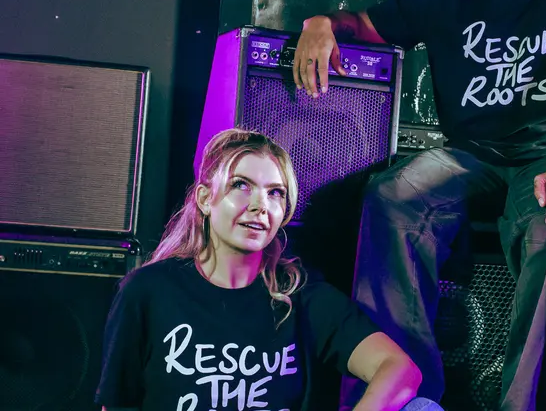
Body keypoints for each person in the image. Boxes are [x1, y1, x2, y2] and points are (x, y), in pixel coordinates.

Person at [292, 0, 546, 409]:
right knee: (391, 198)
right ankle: (405, 398)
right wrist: (321, 23)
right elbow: (364, 23)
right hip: (474, 156)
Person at [94, 129, 445, 411]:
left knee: (422, 409)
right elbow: (116, 402)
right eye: (240, 185)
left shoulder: (301, 296)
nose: (260, 206)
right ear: (205, 198)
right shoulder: (149, 290)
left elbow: (400, 371)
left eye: (275, 193)